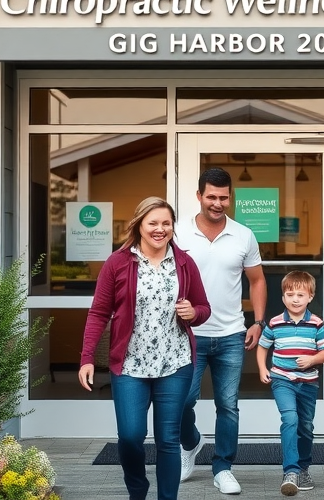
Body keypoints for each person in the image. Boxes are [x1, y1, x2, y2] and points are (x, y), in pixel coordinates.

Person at [78, 197, 212, 500]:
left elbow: (203, 307)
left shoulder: (184, 263)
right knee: (129, 437)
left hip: (175, 364)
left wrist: (194, 313)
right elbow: (99, 312)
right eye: (153, 223)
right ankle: (138, 492)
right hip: (129, 366)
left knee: (168, 440)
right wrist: (87, 357)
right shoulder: (118, 262)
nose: (160, 229)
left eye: (166, 223)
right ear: (139, 224)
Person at [174, 167, 267, 494]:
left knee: (228, 404)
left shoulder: (243, 235)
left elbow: (256, 280)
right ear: (199, 196)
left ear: (231, 197)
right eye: (211, 196)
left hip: (230, 334)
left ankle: (223, 467)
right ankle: (191, 443)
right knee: (183, 401)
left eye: (223, 197)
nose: (217, 203)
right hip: (187, 335)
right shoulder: (176, 232)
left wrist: (257, 321)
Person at [256, 271, 324, 497]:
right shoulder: (276, 323)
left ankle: (304, 468)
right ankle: (290, 471)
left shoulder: (316, 323)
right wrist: (262, 368)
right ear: (283, 298)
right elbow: (263, 346)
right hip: (282, 380)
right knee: (290, 419)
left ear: (310, 297)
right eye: (290, 294)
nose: (295, 299)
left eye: (301, 294)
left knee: (305, 426)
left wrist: (313, 359)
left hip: (308, 382)